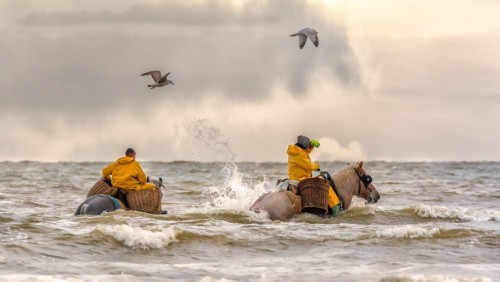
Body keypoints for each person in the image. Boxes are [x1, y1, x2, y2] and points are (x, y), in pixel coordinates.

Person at [287, 135, 342, 216]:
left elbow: (305, 152)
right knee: (327, 188)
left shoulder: (295, 151)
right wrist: (317, 166)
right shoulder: (300, 154)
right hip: (301, 179)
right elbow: (309, 166)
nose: (307, 147)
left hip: (294, 177)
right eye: (308, 145)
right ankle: (336, 211)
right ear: (304, 146)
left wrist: (311, 146)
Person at [102, 148, 165, 214]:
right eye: (135, 155)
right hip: (130, 188)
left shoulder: (116, 163)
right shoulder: (135, 164)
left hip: (116, 187)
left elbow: (104, 173)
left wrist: (109, 178)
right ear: (133, 155)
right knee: (153, 186)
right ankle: (156, 209)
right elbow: (143, 180)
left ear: (126, 155)